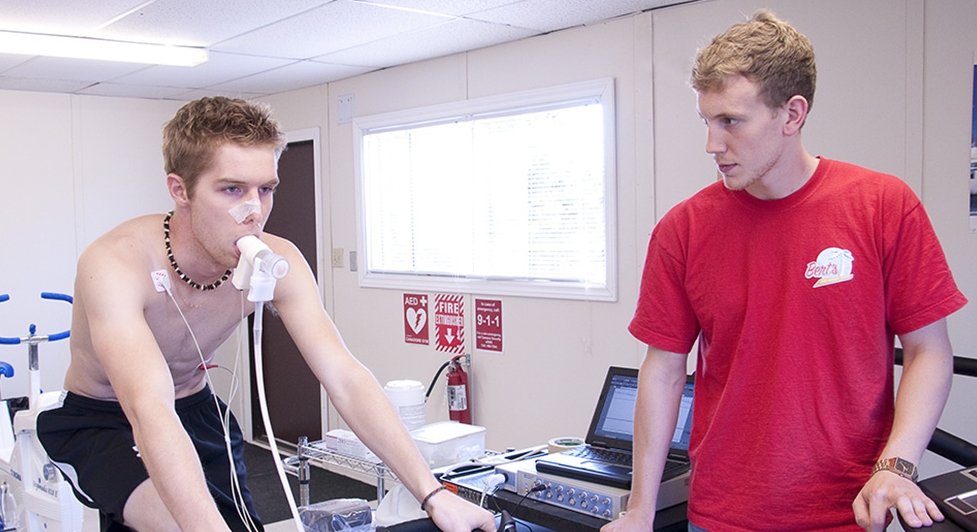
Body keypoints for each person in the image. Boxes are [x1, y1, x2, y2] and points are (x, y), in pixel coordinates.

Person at [36, 96, 497, 532]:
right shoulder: (116, 263)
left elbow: (345, 377)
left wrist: (432, 493)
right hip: (104, 418)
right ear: (180, 190)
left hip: (197, 410)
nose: (253, 211)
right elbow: (147, 406)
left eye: (266, 189)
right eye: (232, 189)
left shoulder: (280, 261)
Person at [602, 10, 967, 532]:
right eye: (706, 121)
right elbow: (662, 370)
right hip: (723, 513)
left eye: (730, 121)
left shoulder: (883, 206)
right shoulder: (682, 230)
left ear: (792, 114)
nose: (712, 143)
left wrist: (897, 465)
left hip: (851, 512)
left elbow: (929, 350)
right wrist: (640, 510)